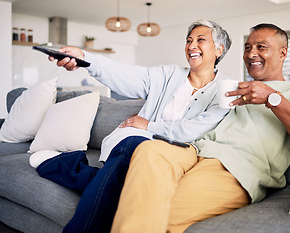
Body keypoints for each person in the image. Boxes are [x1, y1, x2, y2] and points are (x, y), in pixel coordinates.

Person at [110, 23, 290, 233]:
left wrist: (272, 98)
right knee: (148, 150)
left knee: (154, 212)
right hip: (192, 151)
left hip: (234, 167)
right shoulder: (234, 87)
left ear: (283, 53)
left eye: (261, 47)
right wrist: (147, 119)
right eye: (248, 48)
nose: (251, 54)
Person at [30, 20, 233, 233]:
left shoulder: (226, 89)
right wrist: (85, 58)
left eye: (201, 40)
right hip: (133, 147)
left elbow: (197, 128)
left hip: (170, 155)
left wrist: (149, 126)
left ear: (219, 49)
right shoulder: (169, 75)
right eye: (189, 41)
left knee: (128, 157)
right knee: (133, 147)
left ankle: (71, 169)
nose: (192, 46)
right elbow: (126, 74)